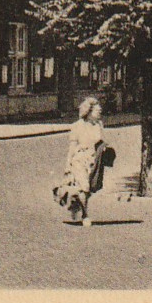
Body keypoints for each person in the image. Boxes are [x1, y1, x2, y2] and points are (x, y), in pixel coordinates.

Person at [53, 97, 111, 226]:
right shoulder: (77, 126)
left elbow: (101, 141)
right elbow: (72, 148)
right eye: (97, 112)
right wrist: (68, 165)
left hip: (94, 160)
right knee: (84, 187)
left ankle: (77, 205)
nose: (99, 114)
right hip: (79, 160)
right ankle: (85, 215)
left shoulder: (99, 125)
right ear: (88, 112)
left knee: (89, 188)